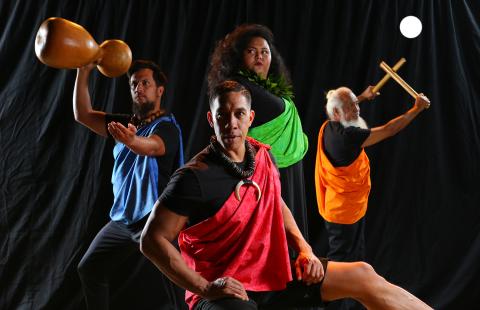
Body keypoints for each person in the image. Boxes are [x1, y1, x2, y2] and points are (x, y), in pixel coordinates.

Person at [140, 80, 433, 310]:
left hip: (271, 274)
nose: (231, 122)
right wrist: (205, 288)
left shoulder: (262, 157)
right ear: (211, 119)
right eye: (222, 114)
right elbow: (152, 240)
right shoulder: (192, 177)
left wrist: (304, 248)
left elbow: (274, 202)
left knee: (363, 274)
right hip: (223, 289)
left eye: (239, 113)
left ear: (250, 117)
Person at [73, 59, 185, 309]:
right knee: (90, 269)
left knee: (178, 283)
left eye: (145, 82)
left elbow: (152, 146)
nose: (139, 88)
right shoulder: (125, 124)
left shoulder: (168, 127)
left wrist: (132, 141)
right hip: (123, 221)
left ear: (159, 90)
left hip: (155, 220)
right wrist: (83, 72)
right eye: (134, 83)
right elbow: (82, 114)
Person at [314, 87, 430, 309]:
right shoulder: (350, 136)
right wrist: (416, 109)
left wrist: (362, 98)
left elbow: (342, 105)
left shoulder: (329, 125)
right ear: (337, 113)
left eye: (356, 104)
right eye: (351, 106)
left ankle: (350, 304)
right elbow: (389, 129)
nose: (357, 109)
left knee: (354, 266)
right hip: (344, 213)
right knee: (343, 270)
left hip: (340, 206)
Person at [207, 24, 310, 239]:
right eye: (251, 51)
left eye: (265, 51)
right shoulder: (237, 87)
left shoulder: (265, 87)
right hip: (261, 169)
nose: (259, 56)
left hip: (286, 167)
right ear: (238, 56)